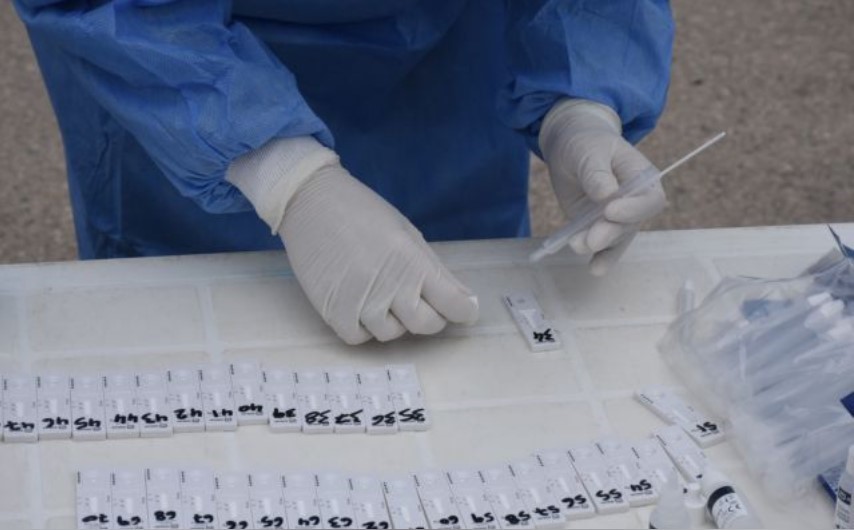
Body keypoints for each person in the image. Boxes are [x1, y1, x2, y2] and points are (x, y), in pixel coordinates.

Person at [15, 0, 674, 344]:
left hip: (447, 71)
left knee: (458, 314)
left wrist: (580, 102)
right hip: (178, 76)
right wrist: (282, 174)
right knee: (189, 360)